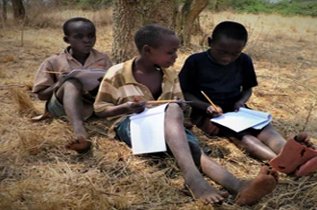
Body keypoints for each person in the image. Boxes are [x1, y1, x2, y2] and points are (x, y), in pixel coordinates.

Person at [94, 24, 278, 205]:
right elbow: (100, 109)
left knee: (191, 145)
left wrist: (182, 107)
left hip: (166, 125)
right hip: (132, 123)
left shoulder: (169, 74)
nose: (176, 57)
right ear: (148, 50)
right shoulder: (117, 74)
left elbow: (179, 105)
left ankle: (239, 186)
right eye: (170, 52)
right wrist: (125, 108)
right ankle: (193, 179)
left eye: (176, 51)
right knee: (174, 115)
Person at [179, 21, 287, 161]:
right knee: (245, 138)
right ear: (210, 42)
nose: (227, 58)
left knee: (266, 130)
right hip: (208, 114)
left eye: (235, 54)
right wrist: (206, 107)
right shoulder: (195, 62)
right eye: (222, 52)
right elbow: (186, 94)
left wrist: (241, 102)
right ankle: (281, 164)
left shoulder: (244, 61)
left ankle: (292, 155)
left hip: (237, 111)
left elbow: (248, 89)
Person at [32, 17, 112, 153]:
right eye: (79, 37)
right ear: (67, 40)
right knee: (72, 83)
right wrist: (59, 83)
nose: (87, 40)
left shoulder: (103, 59)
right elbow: (41, 95)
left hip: (92, 106)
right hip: (61, 107)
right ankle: (80, 134)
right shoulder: (53, 61)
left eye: (91, 36)